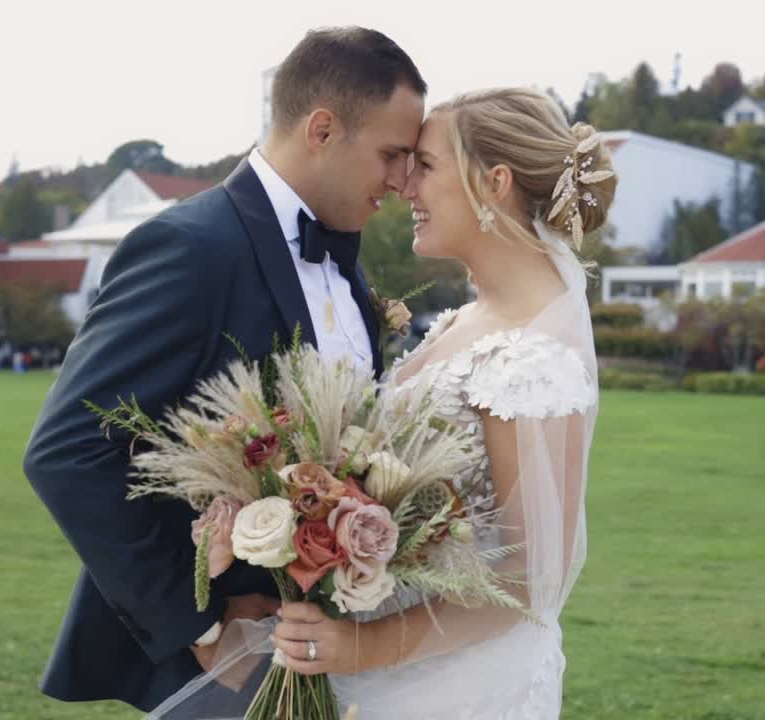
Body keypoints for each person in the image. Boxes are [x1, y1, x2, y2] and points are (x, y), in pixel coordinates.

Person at [158, 87, 614, 719]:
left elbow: (528, 581)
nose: (404, 185)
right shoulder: (464, 321)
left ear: (495, 181)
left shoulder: (536, 359)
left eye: (425, 165)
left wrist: (362, 646)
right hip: (378, 667)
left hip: (455, 687)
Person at [21, 27, 425, 714]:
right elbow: (66, 450)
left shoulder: (347, 263)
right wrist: (202, 627)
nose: (402, 179)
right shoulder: (188, 247)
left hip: (340, 648)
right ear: (323, 130)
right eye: (393, 154)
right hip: (225, 668)